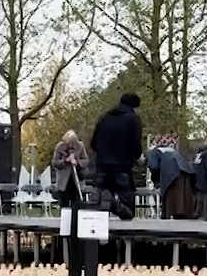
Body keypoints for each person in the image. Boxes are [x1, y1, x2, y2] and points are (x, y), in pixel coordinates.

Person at [89, 92, 143, 220]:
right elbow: (136, 145)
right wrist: (135, 157)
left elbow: (93, 143)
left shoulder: (104, 118)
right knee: (128, 208)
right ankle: (115, 205)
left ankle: (102, 237)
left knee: (99, 209)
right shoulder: (132, 119)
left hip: (102, 165)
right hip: (122, 166)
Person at [52, 130, 88, 208]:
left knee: (77, 201)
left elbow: (86, 160)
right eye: (68, 143)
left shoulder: (80, 146)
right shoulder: (59, 147)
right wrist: (65, 160)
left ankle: (76, 218)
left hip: (77, 180)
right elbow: (55, 163)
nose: (71, 144)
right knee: (64, 203)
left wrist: (77, 162)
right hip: (64, 181)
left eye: (73, 142)